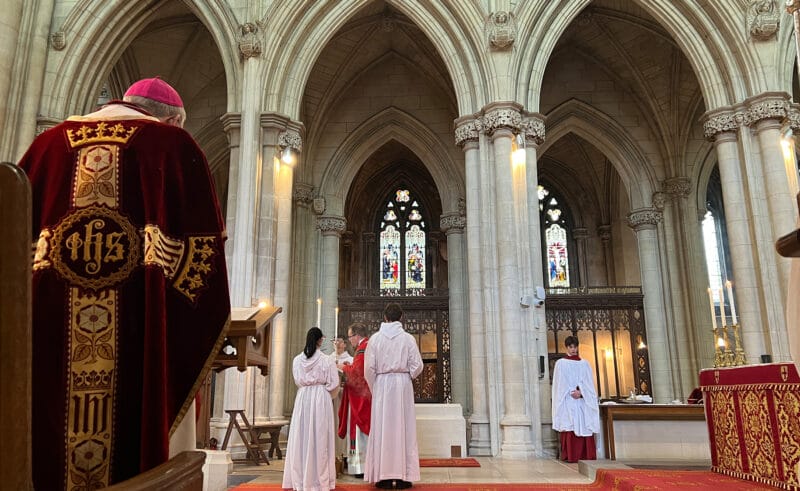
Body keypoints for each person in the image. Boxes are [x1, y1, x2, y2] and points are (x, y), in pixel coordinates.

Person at [18, 77, 230, 489]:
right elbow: (201, 261)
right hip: (137, 346)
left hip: (42, 348)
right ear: (172, 117)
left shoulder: (44, 148)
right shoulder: (173, 146)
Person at [364, 303, 423, 489]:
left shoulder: (375, 339)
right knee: (404, 428)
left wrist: (376, 386)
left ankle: (383, 476)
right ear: (401, 317)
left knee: (383, 429)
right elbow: (418, 365)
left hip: (382, 384)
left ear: (385, 317)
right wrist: (407, 376)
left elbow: (369, 369)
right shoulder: (408, 339)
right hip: (402, 385)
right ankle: (404, 476)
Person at [282, 327, 340, 491]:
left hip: (303, 398)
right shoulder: (327, 360)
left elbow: (297, 381)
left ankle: (300, 479)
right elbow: (334, 383)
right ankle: (319, 480)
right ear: (320, 340)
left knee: (302, 436)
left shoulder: (297, 360)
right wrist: (327, 392)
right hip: (320, 398)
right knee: (320, 438)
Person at [551, 335, 600, 463]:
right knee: (570, 424)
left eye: (575, 347)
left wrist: (582, 392)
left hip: (582, 401)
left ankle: (586, 455)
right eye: (570, 347)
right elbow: (559, 384)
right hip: (568, 400)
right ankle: (571, 455)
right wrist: (569, 391)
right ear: (566, 347)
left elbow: (589, 383)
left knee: (584, 424)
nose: (573, 349)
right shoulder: (561, 363)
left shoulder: (584, 364)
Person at [338, 322, 372, 477]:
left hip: (361, 397)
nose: (349, 340)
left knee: (359, 432)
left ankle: (360, 467)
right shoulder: (365, 347)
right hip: (365, 394)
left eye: (350, 336)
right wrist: (348, 367)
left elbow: (357, 375)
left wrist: (343, 368)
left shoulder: (362, 349)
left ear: (357, 335)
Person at [329, 337, 353, 457]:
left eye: (340, 341)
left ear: (345, 344)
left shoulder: (350, 359)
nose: (337, 343)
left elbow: (354, 376)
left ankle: (344, 454)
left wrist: (342, 369)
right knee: (331, 423)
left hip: (344, 395)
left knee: (344, 422)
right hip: (330, 397)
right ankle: (332, 453)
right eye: (335, 341)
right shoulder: (328, 359)